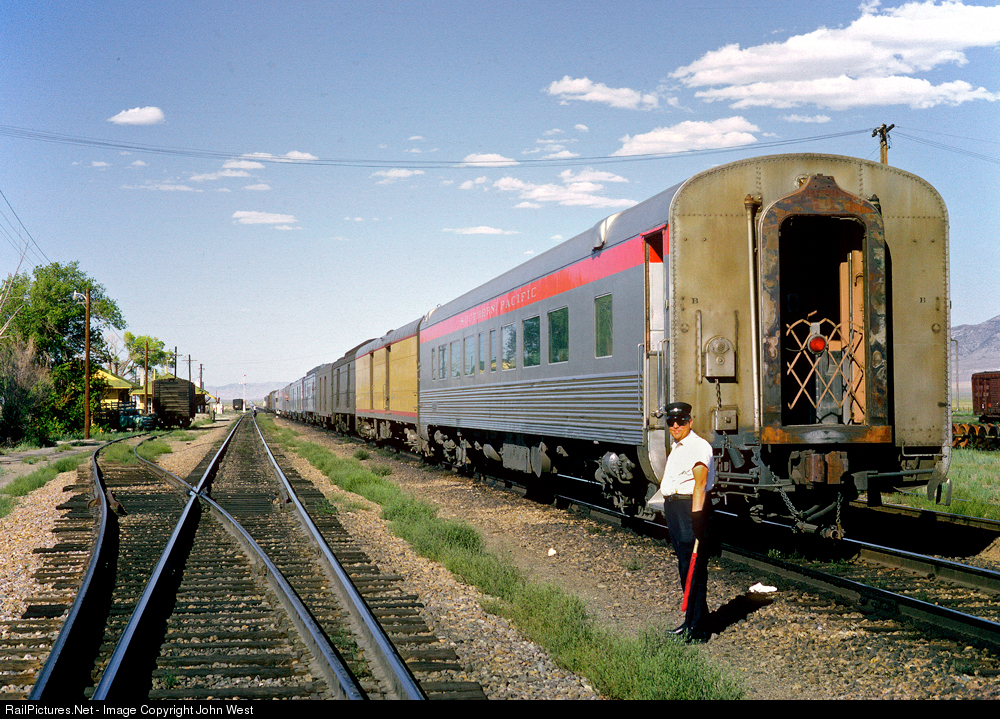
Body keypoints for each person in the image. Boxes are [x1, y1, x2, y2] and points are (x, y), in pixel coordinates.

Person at [660, 401, 715, 642]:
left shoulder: (697, 446)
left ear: (689, 422)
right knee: (686, 567)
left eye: (680, 421)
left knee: (693, 568)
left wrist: (696, 517)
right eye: (671, 422)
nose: (675, 426)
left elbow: (700, 483)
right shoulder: (679, 446)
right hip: (675, 508)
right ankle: (694, 621)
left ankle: (698, 628)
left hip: (689, 510)